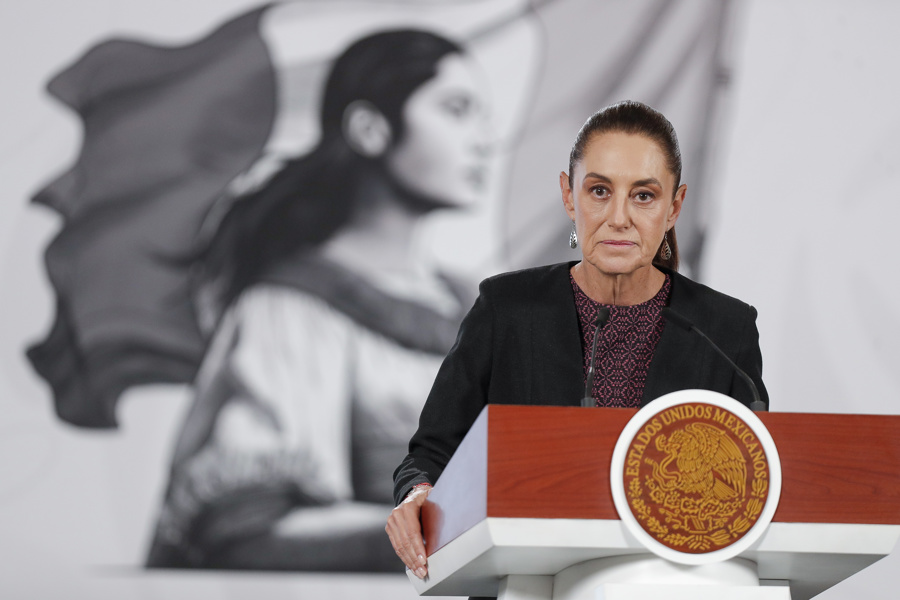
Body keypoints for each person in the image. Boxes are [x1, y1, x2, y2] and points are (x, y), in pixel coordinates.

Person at [145, 28, 492, 571]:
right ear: (370, 129)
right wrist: (462, 526)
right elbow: (249, 529)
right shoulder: (290, 309)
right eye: (455, 109)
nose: (482, 139)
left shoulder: (482, 306)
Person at [387, 100, 768, 586]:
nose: (619, 218)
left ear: (675, 206)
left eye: (644, 196)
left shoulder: (724, 329)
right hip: (523, 585)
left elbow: (750, 483)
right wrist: (416, 494)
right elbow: (432, 451)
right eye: (600, 191)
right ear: (569, 196)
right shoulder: (507, 307)